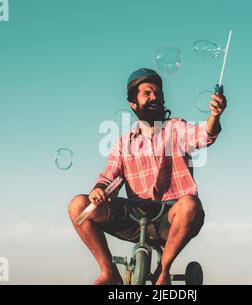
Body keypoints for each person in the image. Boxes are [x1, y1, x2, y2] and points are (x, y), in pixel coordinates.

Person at [68, 68, 227, 285]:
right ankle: (109, 273)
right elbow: (109, 178)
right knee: (78, 205)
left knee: (190, 205)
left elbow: (204, 135)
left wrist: (215, 116)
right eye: (147, 93)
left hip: (170, 217)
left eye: (158, 94)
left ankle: (163, 271)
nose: (155, 97)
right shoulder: (123, 143)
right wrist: (99, 189)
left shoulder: (175, 129)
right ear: (133, 103)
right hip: (135, 215)